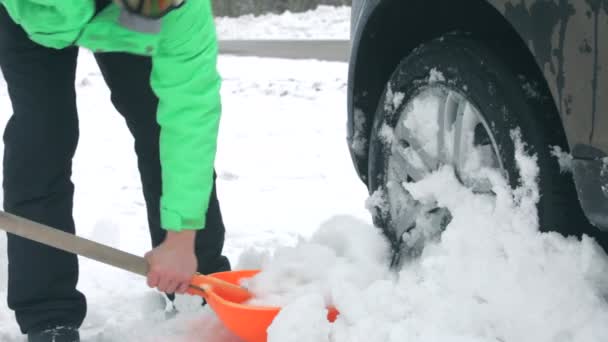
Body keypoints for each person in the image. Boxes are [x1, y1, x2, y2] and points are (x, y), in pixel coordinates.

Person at [0, 0, 230, 341]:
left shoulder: (180, 10)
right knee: (43, 135)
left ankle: (198, 287)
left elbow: (188, 120)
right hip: (31, 13)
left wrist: (182, 238)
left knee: (156, 122)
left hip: (123, 20)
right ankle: (49, 319)